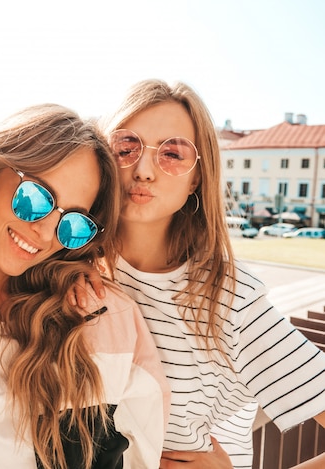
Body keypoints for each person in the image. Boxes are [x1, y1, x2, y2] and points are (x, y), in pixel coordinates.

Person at [0, 103, 170, 468]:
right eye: (35, 198)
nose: (47, 233)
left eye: (74, 223)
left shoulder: (100, 317)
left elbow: (142, 448)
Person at [93, 79, 325, 468]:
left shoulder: (228, 298)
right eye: (126, 147)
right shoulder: (72, 266)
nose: (145, 169)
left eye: (172, 153)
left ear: (196, 178)